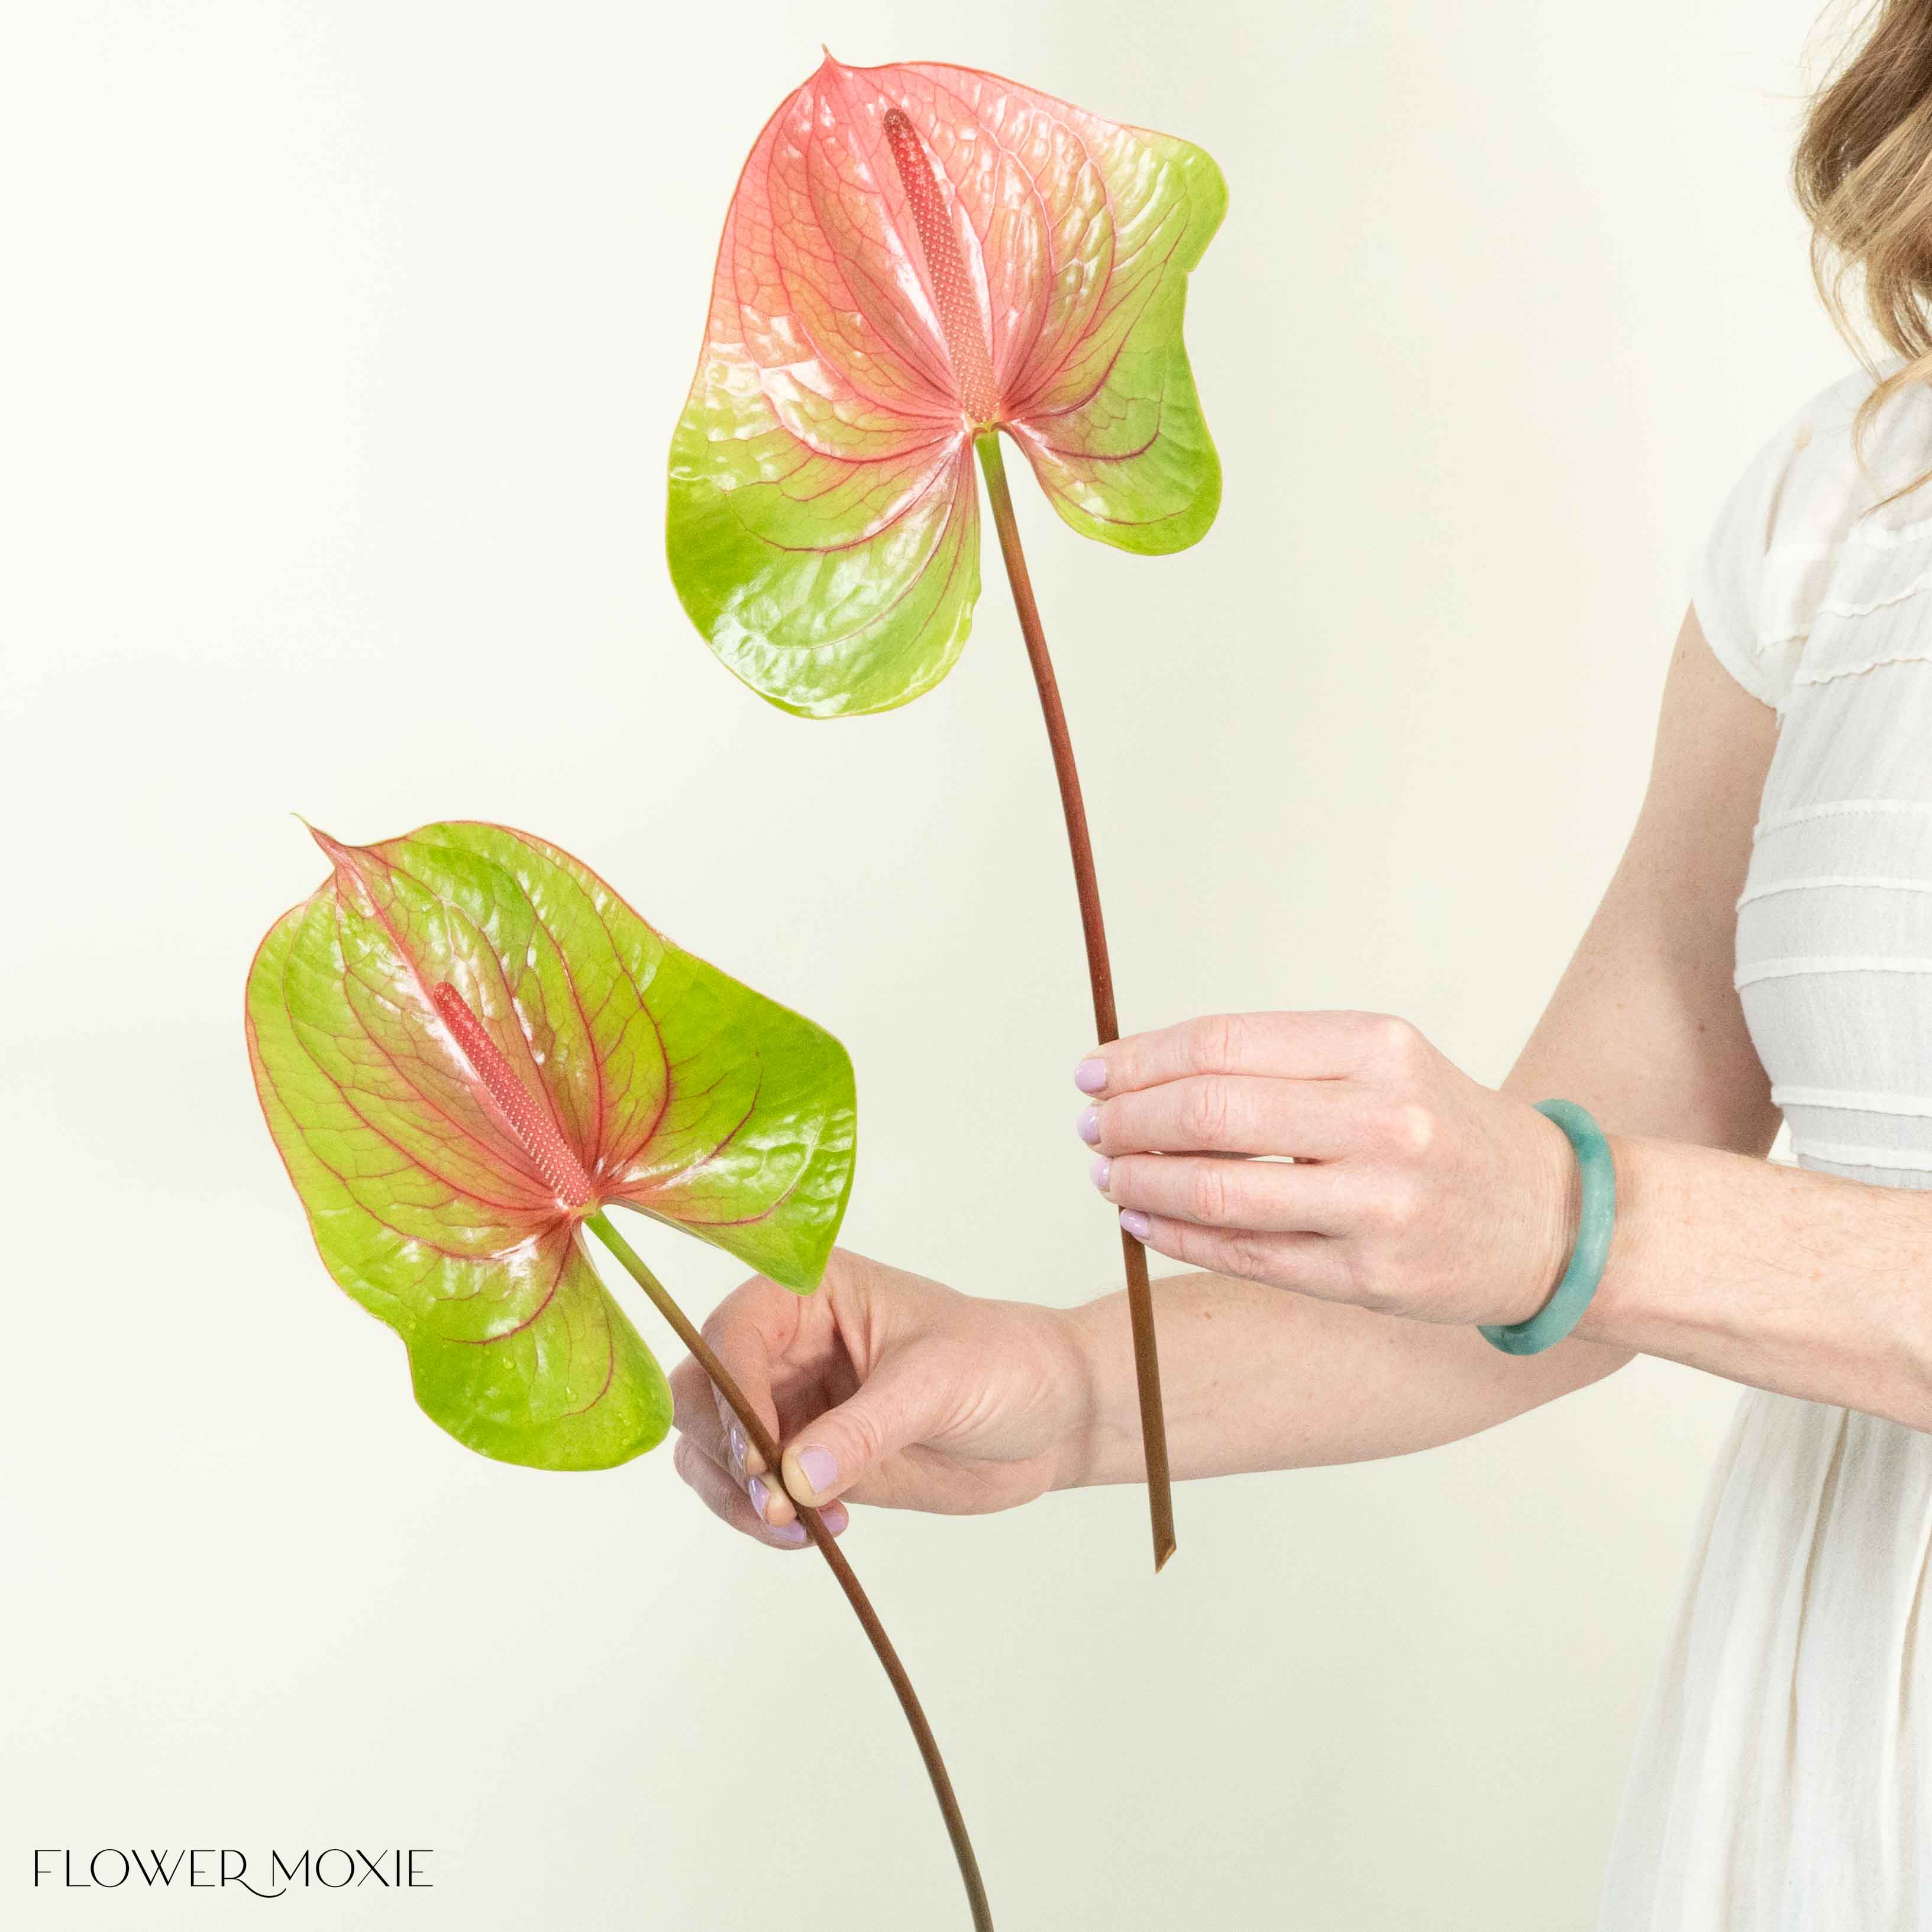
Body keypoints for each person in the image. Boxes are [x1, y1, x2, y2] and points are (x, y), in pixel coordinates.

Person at [672, 6, 1932, 1920]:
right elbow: (1557, 1223)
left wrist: (1576, 1214)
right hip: (1826, 1729)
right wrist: (1072, 1384)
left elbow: (1576, 1217)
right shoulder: (1846, 507)